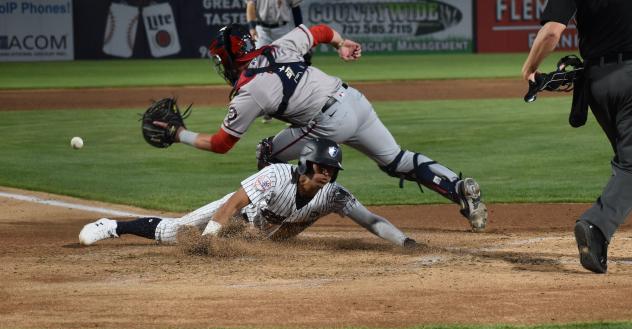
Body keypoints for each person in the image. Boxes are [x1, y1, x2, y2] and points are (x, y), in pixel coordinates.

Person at [153, 23, 487, 232]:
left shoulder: (249, 89)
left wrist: (177, 133)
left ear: (229, 56)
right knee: (397, 160)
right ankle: (459, 189)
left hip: (327, 122)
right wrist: (341, 43)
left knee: (268, 152)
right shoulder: (280, 46)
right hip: (353, 99)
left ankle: (270, 222)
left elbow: (222, 143)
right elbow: (322, 31)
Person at [79, 139, 416, 248]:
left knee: (258, 239)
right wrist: (211, 238)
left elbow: (372, 221)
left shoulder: (333, 195)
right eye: (322, 168)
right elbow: (234, 203)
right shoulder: (276, 175)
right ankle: (112, 226)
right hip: (235, 215)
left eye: (331, 170)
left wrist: (405, 242)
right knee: (175, 233)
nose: (327, 174)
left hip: (260, 232)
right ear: (306, 165)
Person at [521, 0, 632, 274]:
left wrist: (529, 67)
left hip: (598, 84)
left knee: (627, 162)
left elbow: (551, 32)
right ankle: (597, 226)